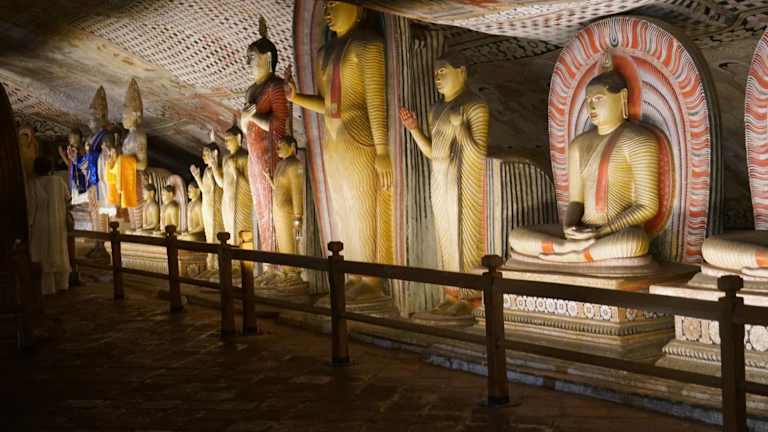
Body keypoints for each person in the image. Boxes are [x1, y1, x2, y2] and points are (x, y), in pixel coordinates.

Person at [28, 157, 71, 295]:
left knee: (44, 253)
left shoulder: (33, 184)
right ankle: (62, 284)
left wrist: (29, 224)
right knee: (60, 250)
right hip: (58, 222)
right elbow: (68, 198)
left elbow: (31, 207)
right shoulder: (59, 181)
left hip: (41, 224)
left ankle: (47, 288)